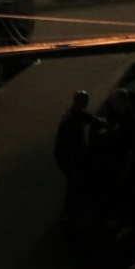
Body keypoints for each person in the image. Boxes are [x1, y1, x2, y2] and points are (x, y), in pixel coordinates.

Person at [53, 90, 99, 220]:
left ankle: (70, 212)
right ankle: (69, 213)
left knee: (74, 186)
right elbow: (72, 150)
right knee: (73, 187)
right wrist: (74, 172)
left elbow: (86, 117)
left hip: (65, 156)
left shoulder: (73, 115)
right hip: (68, 159)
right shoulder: (72, 123)